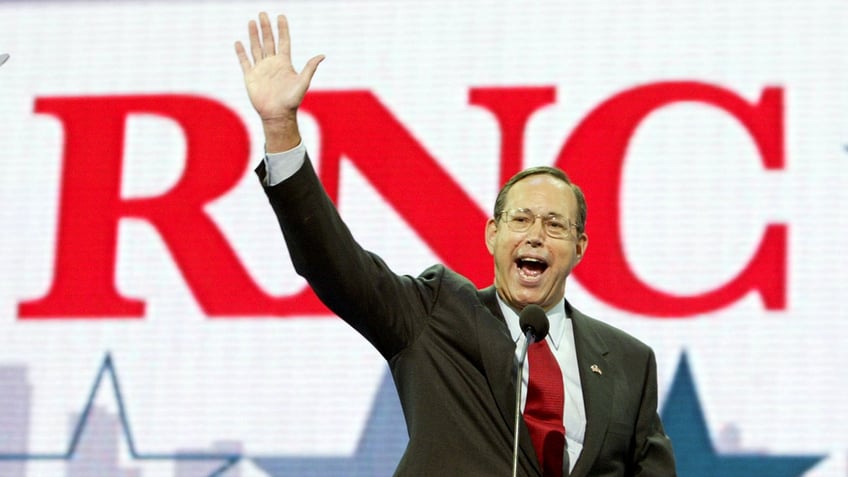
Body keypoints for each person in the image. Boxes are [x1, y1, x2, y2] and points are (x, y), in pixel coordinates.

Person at [235, 12, 677, 477]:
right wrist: (281, 129)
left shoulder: (629, 361)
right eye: (520, 219)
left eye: (554, 225)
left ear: (580, 246)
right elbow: (337, 266)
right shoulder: (438, 314)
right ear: (492, 234)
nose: (534, 235)